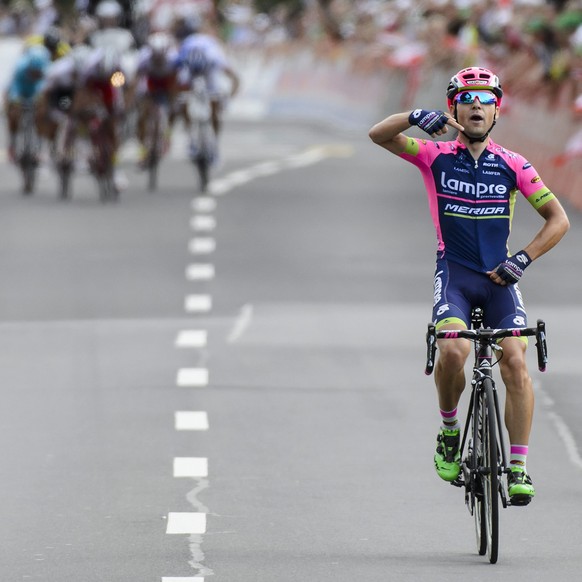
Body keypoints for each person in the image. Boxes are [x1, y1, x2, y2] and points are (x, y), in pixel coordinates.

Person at [369, 66, 570, 504]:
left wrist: (523, 258)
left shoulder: (514, 164)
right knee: (454, 349)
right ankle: (448, 430)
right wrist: (412, 116)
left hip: (501, 278)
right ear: (454, 107)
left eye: (485, 99)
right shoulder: (433, 155)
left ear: (497, 110)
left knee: (516, 360)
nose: (476, 104)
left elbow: (559, 220)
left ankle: (517, 466)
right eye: (467, 97)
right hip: (455, 276)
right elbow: (378, 135)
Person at [4, 44, 52, 163]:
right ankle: (13, 144)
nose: (35, 73)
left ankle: (40, 148)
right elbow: (14, 87)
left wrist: (40, 100)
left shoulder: (47, 69)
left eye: (37, 72)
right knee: (13, 113)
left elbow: (44, 88)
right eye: (33, 71)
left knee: (42, 114)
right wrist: (15, 100)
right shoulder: (20, 67)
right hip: (20, 89)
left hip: (35, 90)